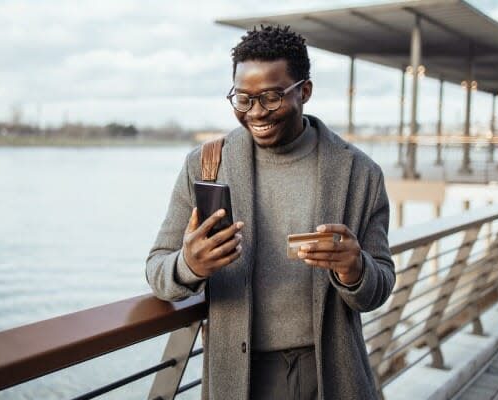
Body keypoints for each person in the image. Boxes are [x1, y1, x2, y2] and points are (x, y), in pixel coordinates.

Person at [146, 25, 394, 400]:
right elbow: (157, 271)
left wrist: (355, 269)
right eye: (242, 99)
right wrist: (189, 265)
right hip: (239, 377)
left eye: (272, 97)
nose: (256, 112)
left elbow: (380, 286)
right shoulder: (204, 165)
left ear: (305, 91)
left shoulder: (360, 173)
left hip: (331, 374)